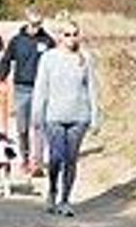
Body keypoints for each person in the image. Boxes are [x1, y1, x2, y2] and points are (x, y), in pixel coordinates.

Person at [32, 25, 100, 215]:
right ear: (60, 37)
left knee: (71, 159)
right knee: (56, 157)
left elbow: (92, 89)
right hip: (53, 116)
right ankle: (52, 190)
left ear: (79, 36)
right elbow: (41, 88)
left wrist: (95, 116)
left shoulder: (86, 58)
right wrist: (37, 115)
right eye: (67, 34)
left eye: (75, 34)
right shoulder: (49, 58)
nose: (71, 37)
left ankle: (65, 200)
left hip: (79, 117)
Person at [0, 18, 48, 155]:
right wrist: (0, 77)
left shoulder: (47, 41)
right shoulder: (17, 40)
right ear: (27, 22)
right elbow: (6, 59)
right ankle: (25, 155)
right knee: (22, 127)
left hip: (41, 89)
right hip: (21, 88)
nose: (35, 27)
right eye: (33, 24)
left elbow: (55, 63)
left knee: (39, 125)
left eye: (38, 24)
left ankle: (37, 160)